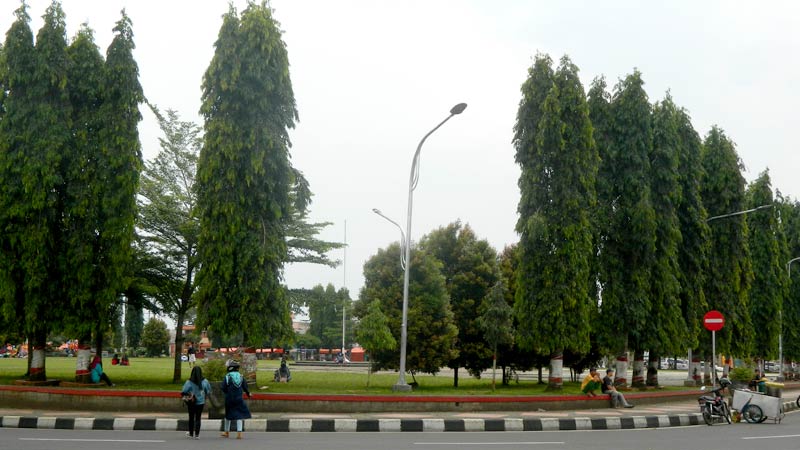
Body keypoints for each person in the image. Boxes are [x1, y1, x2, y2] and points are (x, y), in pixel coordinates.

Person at [221, 360, 251, 439]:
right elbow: (245, 388)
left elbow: (223, 387)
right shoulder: (241, 377)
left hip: (229, 399)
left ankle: (226, 432)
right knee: (239, 416)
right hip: (239, 398)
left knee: (228, 415)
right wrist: (248, 394)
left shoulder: (228, 377)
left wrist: (227, 392)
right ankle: (239, 434)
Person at [181, 366, 212, 440]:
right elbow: (208, 391)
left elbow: (184, 391)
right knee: (198, 418)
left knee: (191, 417)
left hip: (191, 402)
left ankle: (191, 433)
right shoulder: (205, 381)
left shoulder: (189, 382)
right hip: (201, 403)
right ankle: (197, 434)